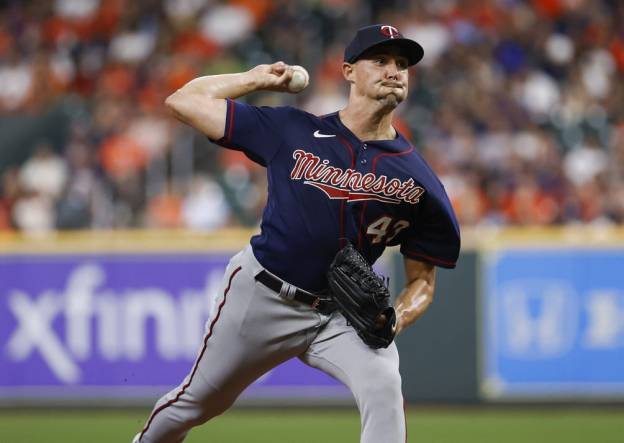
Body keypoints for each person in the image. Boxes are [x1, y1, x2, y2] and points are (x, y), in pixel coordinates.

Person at [134, 24, 460, 443]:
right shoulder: (292, 130)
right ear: (348, 71)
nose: (394, 71)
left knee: (383, 384)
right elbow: (183, 101)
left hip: (342, 313)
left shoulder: (420, 182)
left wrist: (395, 319)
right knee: (196, 403)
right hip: (264, 295)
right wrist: (253, 79)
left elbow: (423, 281)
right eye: (380, 61)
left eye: (402, 64)